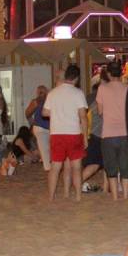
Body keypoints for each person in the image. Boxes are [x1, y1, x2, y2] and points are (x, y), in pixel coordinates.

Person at [43, 65, 88, 201]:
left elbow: (44, 112)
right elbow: (83, 117)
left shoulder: (52, 93)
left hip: (57, 134)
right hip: (74, 133)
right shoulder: (78, 93)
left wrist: (57, 112)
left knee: (55, 167)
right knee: (76, 167)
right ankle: (78, 196)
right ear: (76, 78)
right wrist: (85, 137)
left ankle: (51, 197)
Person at [97, 61, 128, 200]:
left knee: (111, 167)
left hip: (108, 132)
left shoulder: (102, 88)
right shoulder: (127, 88)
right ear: (121, 73)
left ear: (109, 74)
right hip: (125, 132)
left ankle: (116, 197)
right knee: (125, 166)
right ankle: (125, 195)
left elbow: (100, 111)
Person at [25, 85, 51, 171]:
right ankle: (48, 168)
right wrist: (31, 121)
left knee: (47, 149)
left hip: (49, 128)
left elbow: (27, 113)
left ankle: (49, 167)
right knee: (44, 149)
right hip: (40, 128)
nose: (41, 94)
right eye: (40, 92)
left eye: (42, 92)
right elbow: (27, 113)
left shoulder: (49, 100)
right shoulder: (36, 101)